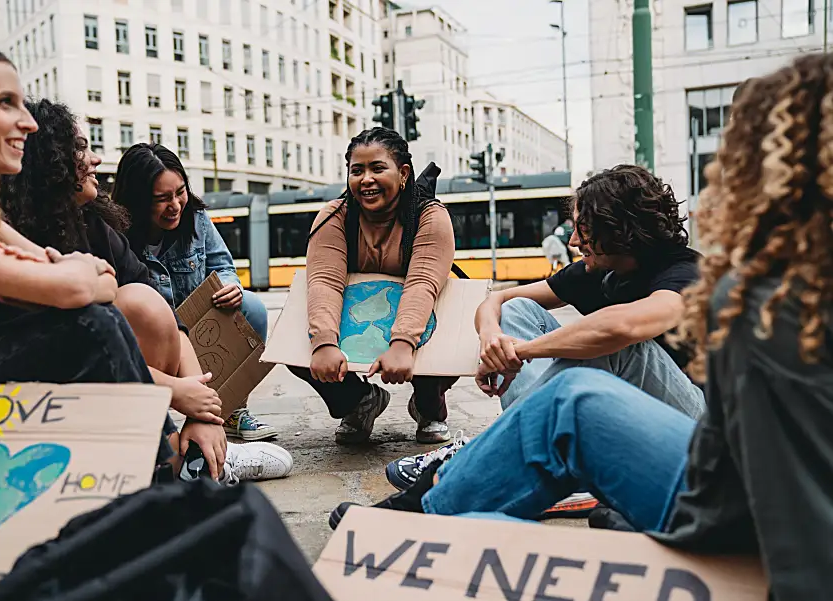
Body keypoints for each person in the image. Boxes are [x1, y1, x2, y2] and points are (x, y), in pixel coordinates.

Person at [332, 55, 833, 600]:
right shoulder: (770, 283)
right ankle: (437, 501)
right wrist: (498, 335)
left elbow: (643, 326)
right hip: (731, 485)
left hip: (753, 526)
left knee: (492, 539)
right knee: (571, 392)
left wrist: (521, 352)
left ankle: (439, 499)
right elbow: (499, 298)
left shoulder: (723, 284)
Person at [0, 99, 292, 483]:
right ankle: (175, 460)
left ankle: (190, 453)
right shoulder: (4, 235)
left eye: (180, 194)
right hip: (39, 396)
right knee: (121, 313)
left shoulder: (96, 224)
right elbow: (73, 352)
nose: (96, 159)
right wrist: (174, 391)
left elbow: (170, 316)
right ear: (48, 162)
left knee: (148, 304)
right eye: (82, 149)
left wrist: (200, 409)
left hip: (121, 375)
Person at [0, 35, 191, 466]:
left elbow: (90, 283)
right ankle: (161, 473)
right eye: (4, 103)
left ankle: (159, 469)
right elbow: (71, 288)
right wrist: (68, 276)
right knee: (90, 326)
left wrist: (68, 278)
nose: (28, 123)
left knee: (96, 317)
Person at [474, 164, 705, 418]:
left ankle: (512, 435)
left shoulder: (685, 271)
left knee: (619, 345)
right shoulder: (595, 271)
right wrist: (492, 341)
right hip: (627, 413)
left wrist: (519, 352)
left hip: (695, 422)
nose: (572, 241)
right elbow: (497, 299)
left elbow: (620, 329)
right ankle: (535, 433)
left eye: (582, 229)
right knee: (517, 309)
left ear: (616, 229)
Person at [291, 127, 457, 445]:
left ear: (403, 173)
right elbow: (324, 281)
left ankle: (429, 408)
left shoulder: (430, 216)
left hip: (419, 318)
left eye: (377, 168)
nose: (366, 179)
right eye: (357, 170)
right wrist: (324, 343)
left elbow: (422, 283)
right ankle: (360, 402)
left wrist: (403, 344)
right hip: (357, 319)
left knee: (448, 332)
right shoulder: (334, 216)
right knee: (299, 343)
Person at [111, 143, 276, 442]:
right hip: (153, 346)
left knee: (251, 306)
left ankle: (230, 410)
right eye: (161, 199)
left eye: (180, 192)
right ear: (136, 201)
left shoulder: (197, 219)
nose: (175, 205)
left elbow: (223, 266)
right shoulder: (115, 235)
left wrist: (230, 286)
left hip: (201, 335)